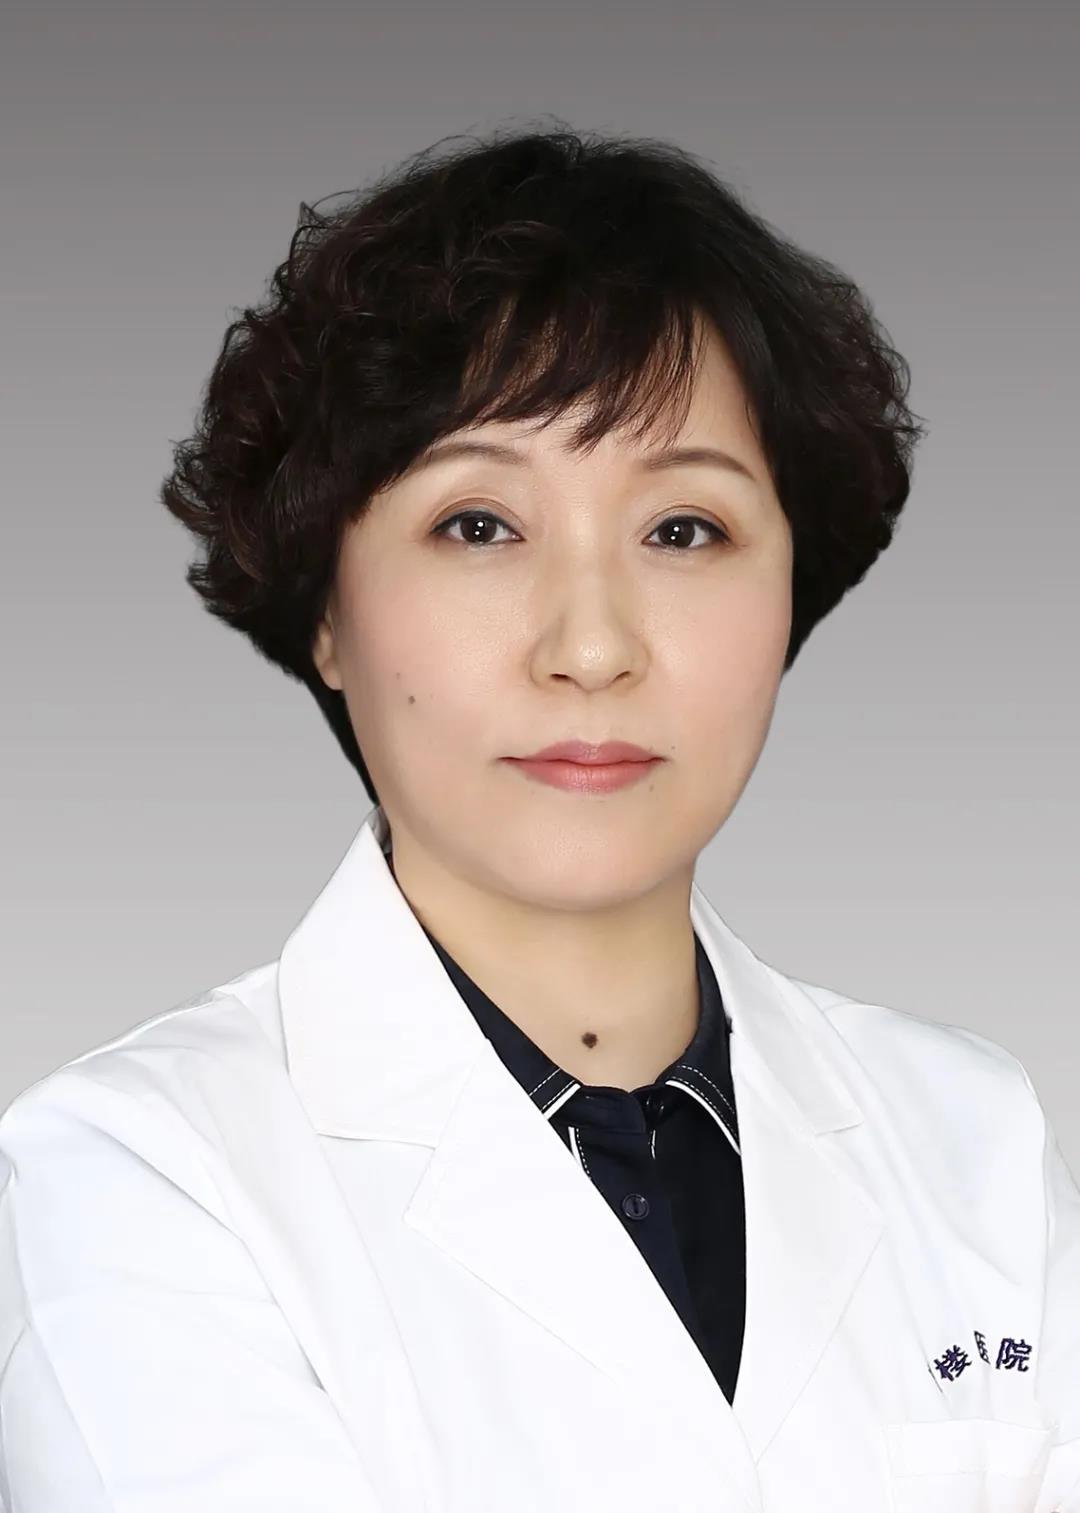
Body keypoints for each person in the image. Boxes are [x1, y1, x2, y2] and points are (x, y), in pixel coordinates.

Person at [1, 123, 1077, 1513]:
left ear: (789, 598)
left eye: (684, 529)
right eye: (480, 525)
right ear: (326, 610)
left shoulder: (973, 1138)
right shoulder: (136, 1178)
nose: (592, 647)